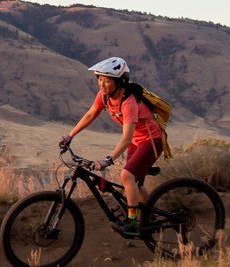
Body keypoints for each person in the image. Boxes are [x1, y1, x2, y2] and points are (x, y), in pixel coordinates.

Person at [59, 56, 166, 237]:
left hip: (151, 141)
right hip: (137, 141)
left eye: (107, 80)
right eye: (99, 79)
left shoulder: (128, 102)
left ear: (119, 82)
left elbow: (126, 138)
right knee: (135, 184)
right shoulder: (105, 96)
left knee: (126, 175)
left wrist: (108, 160)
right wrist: (70, 135)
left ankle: (132, 222)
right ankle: (151, 216)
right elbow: (91, 114)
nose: (102, 84)